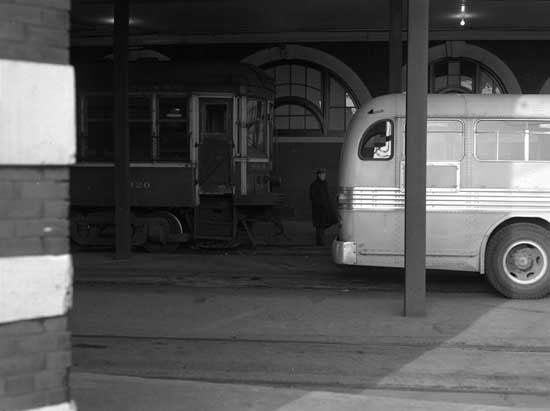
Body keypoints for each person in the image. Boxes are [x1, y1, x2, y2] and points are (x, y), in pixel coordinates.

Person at [309, 168, 337, 246]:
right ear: (318, 175)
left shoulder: (324, 184)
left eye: (324, 174)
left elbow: (326, 196)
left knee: (322, 225)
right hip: (318, 210)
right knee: (320, 226)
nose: (323, 176)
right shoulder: (315, 185)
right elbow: (313, 197)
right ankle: (320, 242)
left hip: (324, 209)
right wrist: (321, 205)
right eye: (322, 174)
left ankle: (320, 242)